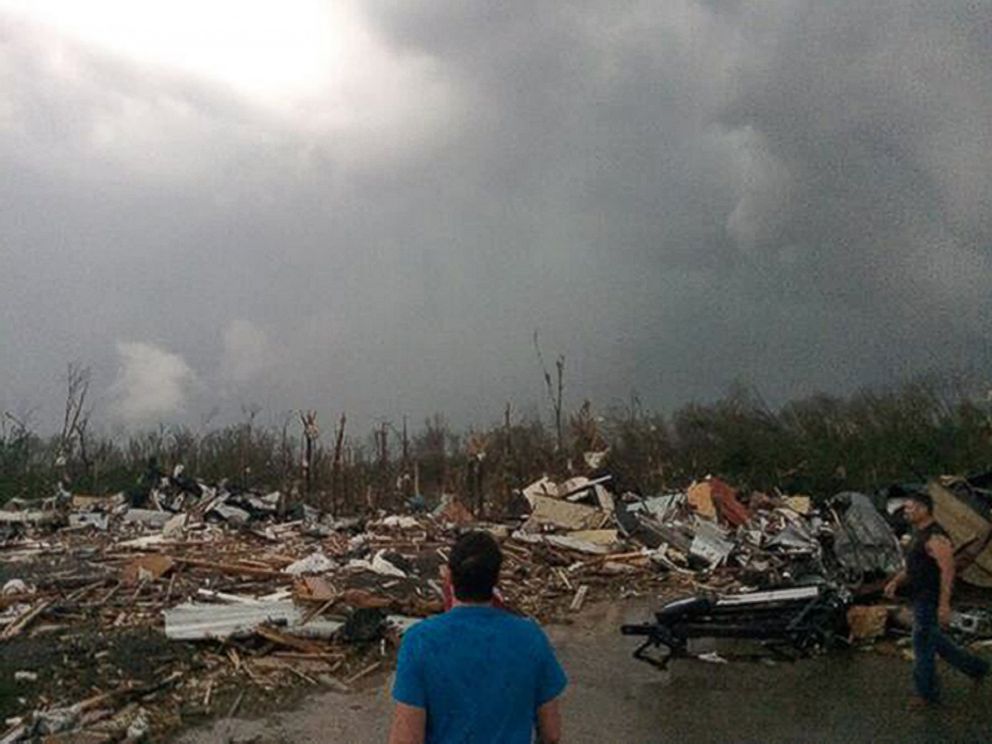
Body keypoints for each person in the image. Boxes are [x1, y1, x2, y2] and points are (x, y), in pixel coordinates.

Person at [389, 531, 567, 744]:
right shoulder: (530, 637)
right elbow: (551, 733)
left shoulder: (420, 641)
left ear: (449, 578)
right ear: (496, 579)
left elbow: (406, 739)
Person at [884, 491, 989, 707]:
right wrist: (896, 581)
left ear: (924, 509)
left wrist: (944, 604)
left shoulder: (936, 537)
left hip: (930, 598)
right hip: (918, 595)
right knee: (933, 639)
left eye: (910, 508)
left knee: (922, 645)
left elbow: (948, 570)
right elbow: (913, 565)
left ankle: (927, 694)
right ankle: (976, 667)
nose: (906, 512)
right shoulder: (918, 535)